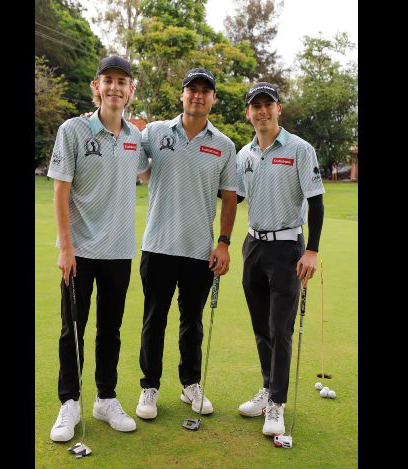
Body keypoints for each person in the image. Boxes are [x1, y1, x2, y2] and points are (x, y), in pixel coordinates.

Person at [46, 55, 149, 442]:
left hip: (119, 251)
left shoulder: (136, 138)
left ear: (130, 90)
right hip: (79, 251)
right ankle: (69, 402)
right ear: (97, 86)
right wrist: (65, 247)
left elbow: (153, 172)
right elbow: (61, 190)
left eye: (122, 82)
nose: (115, 88)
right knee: (72, 328)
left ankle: (106, 398)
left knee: (110, 330)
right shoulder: (73, 130)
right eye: (108, 80)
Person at [133, 67, 238, 420]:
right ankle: (149, 386)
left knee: (192, 322)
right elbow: (127, 149)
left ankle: (190, 382)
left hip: (199, 249)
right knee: (154, 320)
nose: (198, 95)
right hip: (158, 244)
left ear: (213, 99)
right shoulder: (155, 132)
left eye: (205, 90)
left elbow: (229, 197)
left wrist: (223, 242)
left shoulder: (224, 145)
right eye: (192, 89)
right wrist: (98, 119)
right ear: (182, 94)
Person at [234, 82, 324, 436]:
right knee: (261, 327)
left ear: (278, 109)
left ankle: (277, 404)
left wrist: (312, 250)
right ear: (248, 113)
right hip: (253, 246)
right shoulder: (244, 154)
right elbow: (235, 197)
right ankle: (268, 387)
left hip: (288, 248)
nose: (262, 111)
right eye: (255, 106)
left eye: (267, 104)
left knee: (280, 330)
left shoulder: (300, 149)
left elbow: (316, 201)